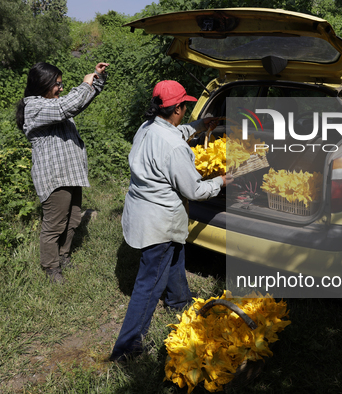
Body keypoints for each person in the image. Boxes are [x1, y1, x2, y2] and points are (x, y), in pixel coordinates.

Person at [110, 80, 230, 361]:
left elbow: (177, 133)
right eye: (184, 105)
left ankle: (179, 302)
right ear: (177, 108)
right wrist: (223, 180)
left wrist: (202, 125)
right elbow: (195, 190)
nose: (186, 109)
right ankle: (126, 348)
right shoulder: (175, 147)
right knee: (149, 283)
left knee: (175, 254)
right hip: (159, 223)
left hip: (142, 213)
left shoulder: (148, 127)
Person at [16, 61, 109, 283]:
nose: (61, 88)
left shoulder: (54, 102)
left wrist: (97, 78)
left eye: (61, 83)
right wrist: (84, 85)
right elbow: (66, 106)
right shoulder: (34, 106)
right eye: (57, 84)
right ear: (42, 85)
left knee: (73, 219)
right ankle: (50, 266)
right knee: (55, 223)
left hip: (70, 173)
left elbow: (78, 103)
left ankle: (63, 255)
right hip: (54, 176)